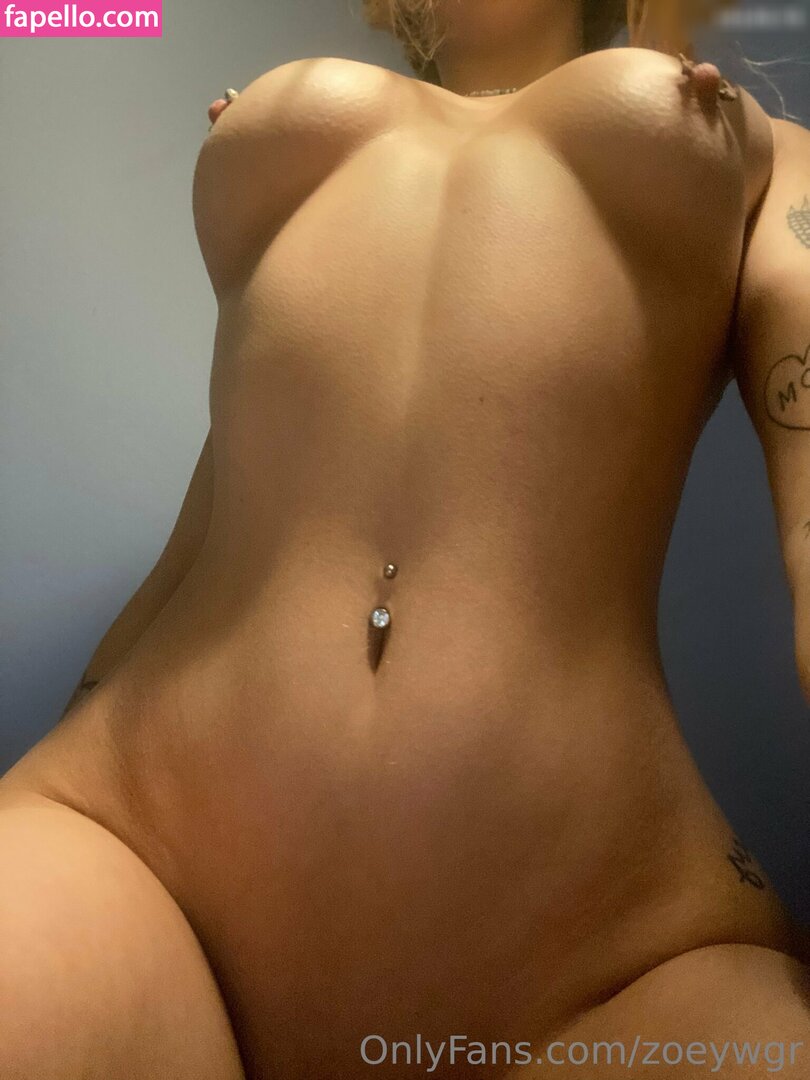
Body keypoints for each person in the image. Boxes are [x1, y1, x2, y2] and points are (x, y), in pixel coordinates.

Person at [2, 0, 810, 1076]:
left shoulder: (763, 147)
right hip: (138, 852)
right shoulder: (310, 120)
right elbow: (238, 475)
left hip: (603, 958)